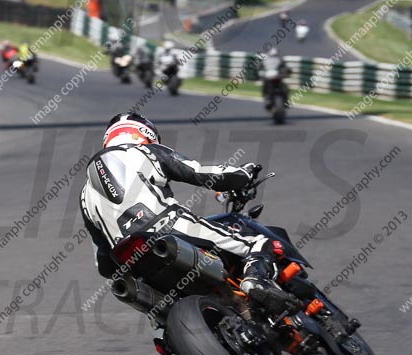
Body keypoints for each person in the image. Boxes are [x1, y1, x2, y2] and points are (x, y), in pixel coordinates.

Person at [79, 113, 297, 313]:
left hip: (132, 264)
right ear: (145, 135)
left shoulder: (85, 196)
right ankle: (255, 280)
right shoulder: (145, 151)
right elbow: (201, 173)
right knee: (260, 244)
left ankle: (168, 335)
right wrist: (242, 174)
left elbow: (104, 262)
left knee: (157, 310)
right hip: (169, 226)